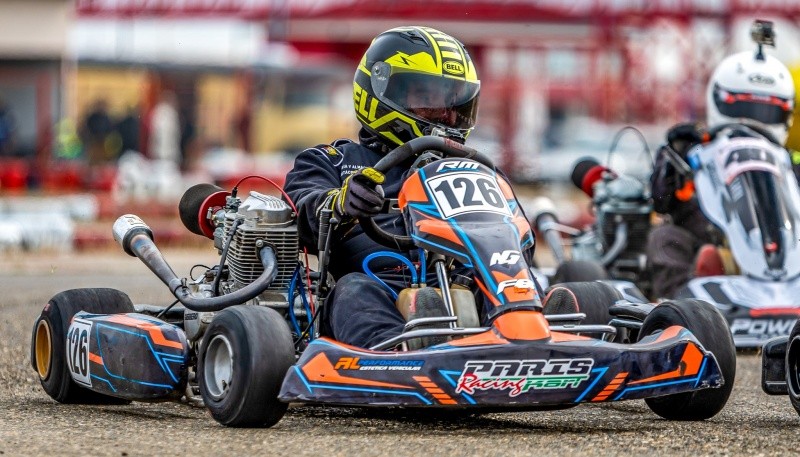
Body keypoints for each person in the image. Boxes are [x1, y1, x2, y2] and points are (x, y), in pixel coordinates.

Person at [283, 26, 494, 348]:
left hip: (464, 281)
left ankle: (534, 331)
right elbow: (299, 209)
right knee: (353, 290)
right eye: (429, 98)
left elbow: (519, 245)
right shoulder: (333, 161)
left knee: (519, 284)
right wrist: (338, 202)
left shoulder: (476, 168)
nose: (447, 115)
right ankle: (397, 353)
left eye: (455, 101)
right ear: (380, 91)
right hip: (378, 285)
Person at [646, 21, 796, 299]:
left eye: (765, 110)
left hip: (782, 247)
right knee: (664, 238)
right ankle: (681, 311)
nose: (752, 119)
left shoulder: (787, 161)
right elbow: (659, 201)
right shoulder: (694, 150)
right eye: (743, 105)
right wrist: (676, 152)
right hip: (708, 239)